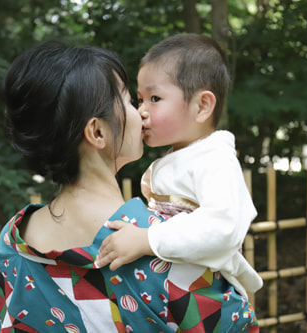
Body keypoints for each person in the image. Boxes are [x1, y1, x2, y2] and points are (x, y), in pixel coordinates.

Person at [0, 39, 259, 332]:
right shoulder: (163, 249)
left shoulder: (10, 248)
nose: (141, 113)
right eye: (130, 100)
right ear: (97, 131)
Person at [97, 33, 263, 302]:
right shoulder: (182, 157)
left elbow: (222, 227)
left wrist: (146, 240)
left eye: (155, 98)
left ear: (202, 106)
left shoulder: (215, 160)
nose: (142, 111)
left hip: (208, 302)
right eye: (140, 100)